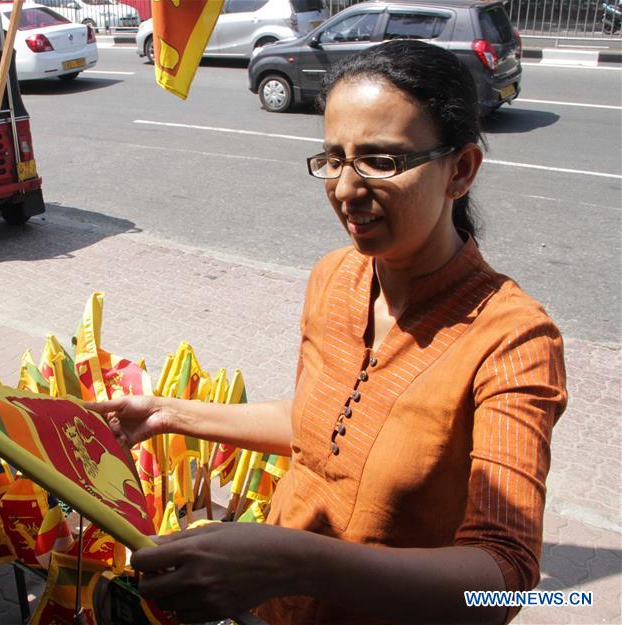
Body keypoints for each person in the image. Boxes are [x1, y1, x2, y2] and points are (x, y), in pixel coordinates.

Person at [88, 40, 566, 625]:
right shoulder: (334, 277)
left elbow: (506, 578)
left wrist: (297, 564)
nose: (345, 189)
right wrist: (165, 414)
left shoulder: (514, 340)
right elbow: (320, 425)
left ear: (460, 170)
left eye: (381, 161)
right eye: (334, 159)